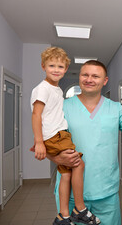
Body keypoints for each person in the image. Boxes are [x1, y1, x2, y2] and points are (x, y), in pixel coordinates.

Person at [48, 60, 122, 225]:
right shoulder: (62, 107)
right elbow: (44, 142)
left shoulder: (116, 109)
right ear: (79, 77)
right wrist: (56, 159)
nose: (89, 79)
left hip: (106, 192)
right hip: (70, 194)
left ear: (104, 81)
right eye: (85, 74)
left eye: (95, 76)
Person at [30, 47, 100, 225]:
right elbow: (36, 115)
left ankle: (63, 215)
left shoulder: (57, 89)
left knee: (66, 174)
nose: (56, 69)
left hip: (58, 135)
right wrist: (39, 142)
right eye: (51, 65)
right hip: (56, 136)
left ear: (66, 69)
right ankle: (80, 209)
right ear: (43, 66)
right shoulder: (42, 89)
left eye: (60, 67)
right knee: (79, 163)